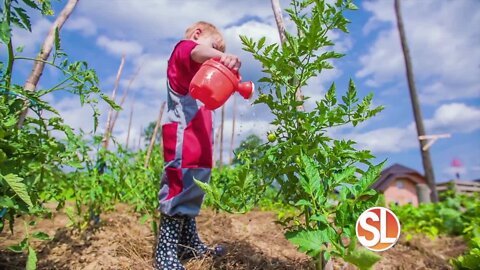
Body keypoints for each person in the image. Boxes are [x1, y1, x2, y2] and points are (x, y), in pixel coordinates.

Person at [154, 21, 241, 270]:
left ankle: (188, 244)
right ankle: (165, 253)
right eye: (214, 46)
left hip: (200, 145)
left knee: (194, 188)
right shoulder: (184, 49)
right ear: (197, 34)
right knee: (179, 184)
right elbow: (196, 52)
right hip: (182, 137)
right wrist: (223, 56)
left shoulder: (204, 82)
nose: (215, 56)